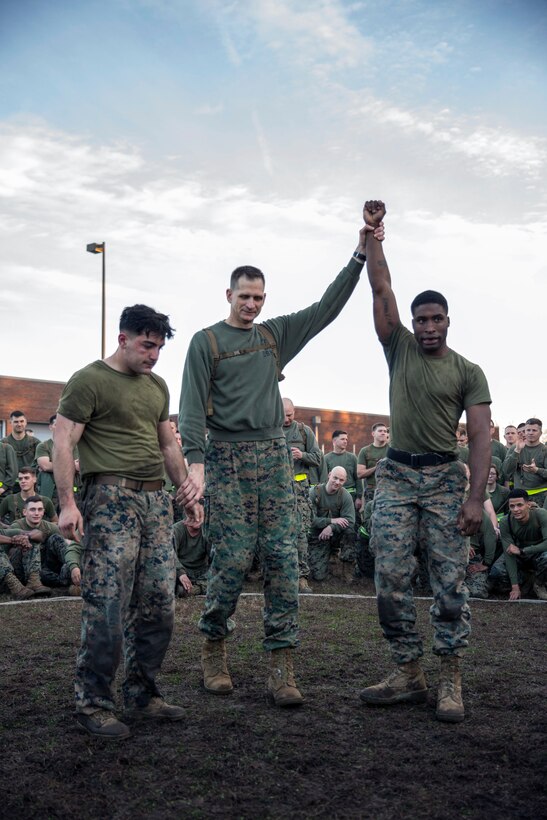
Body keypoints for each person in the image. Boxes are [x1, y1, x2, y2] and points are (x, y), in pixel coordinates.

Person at [179, 220, 384, 708]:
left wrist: (359, 254)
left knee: (282, 562)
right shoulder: (206, 342)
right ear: (228, 293)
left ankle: (282, 664)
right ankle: (214, 649)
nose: (251, 304)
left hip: (273, 458)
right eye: (244, 296)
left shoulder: (273, 337)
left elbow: (324, 310)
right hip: (227, 458)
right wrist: (196, 463)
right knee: (228, 562)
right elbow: (190, 408)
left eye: (259, 298)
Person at [357, 200, 491, 724]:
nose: (428, 327)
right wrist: (374, 238)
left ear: (448, 321)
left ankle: (450, 675)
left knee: (449, 581)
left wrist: (475, 497)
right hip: (394, 475)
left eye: (436, 319)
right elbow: (381, 290)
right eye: (421, 320)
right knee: (388, 576)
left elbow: (479, 437)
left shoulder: (468, 371)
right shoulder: (400, 348)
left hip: (441, 480)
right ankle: (408, 670)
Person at [54, 304, 201, 740]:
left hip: (155, 502)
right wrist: (66, 502)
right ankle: (93, 702)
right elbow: (63, 439)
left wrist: (185, 494)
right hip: (110, 499)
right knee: (108, 605)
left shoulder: (157, 386)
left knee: (159, 601)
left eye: (158, 347)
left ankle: (143, 692)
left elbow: (168, 445)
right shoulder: (89, 380)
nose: (153, 355)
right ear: (123, 339)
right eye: (146, 345)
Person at [282, 397, 322, 593]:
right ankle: (277, 575)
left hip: (299, 488)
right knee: (275, 532)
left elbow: (318, 458)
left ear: (294, 412)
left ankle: (301, 577)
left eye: (289, 415)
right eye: (283, 415)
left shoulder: (304, 432)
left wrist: (302, 455)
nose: (286, 419)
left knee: (300, 532)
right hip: (276, 489)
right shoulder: (270, 430)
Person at [489, 489, 547, 601]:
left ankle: (539, 583)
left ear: (528, 505)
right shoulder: (506, 522)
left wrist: (523, 550)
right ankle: (526, 580)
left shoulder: (541, 515)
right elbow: (509, 554)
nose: (516, 510)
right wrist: (514, 587)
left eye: (519, 505)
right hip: (519, 555)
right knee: (496, 573)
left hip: (537, 551)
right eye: (512, 506)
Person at [308, 467, 356, 582]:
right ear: (329, 475)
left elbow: (350, 520)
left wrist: (331, 527)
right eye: (335, 478)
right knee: (318, 576)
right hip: (318, 535)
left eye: (341, 480)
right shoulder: (315, 492)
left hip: (335, 534)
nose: (337, 482)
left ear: (345, 481)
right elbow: (309, 520)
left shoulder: (345, 496)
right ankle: (325, 557)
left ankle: (347, 571)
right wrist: (330, 521)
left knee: (350, 532)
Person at [0, 496, 54, 599]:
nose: (36, 513)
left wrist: (25, 537)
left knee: (30, 540)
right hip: (4, 580)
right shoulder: (14, 526)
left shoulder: (3, 532)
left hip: (16, 574)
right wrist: (13, 540)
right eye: (33, 509)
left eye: (39, 510)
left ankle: (33, 581)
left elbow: (38, 534)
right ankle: (15, 587)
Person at [502, 418, 547, 508]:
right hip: (520, 496)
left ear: (540, 433)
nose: (530, 433)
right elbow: (506, 471)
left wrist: (537, 470)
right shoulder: (515, 448)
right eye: (528, 430)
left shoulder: (545, 450)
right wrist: (517, 451)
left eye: (534, 430)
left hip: (542, 496)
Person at [357, 422, 389, 500]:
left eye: (385, 431)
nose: (383, 433)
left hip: (389, 491)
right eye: (380, 431)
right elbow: (360, 474)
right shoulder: (365, 451)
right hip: (371, 492)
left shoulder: (392, 450)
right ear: (373, 433)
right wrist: (376, 467)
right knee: (370, 511)